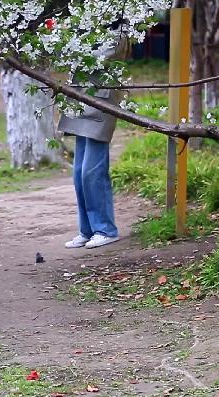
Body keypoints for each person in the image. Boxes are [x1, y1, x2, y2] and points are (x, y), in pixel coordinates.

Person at [58, 30, 130, 250]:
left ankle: (105, 229)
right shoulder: (86, 22)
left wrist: (72, 49)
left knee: (93, 171)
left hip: (101, 102)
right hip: (81, 97)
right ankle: (87, 229)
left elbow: (100, 57)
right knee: (79, 171)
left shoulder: (119, 26)